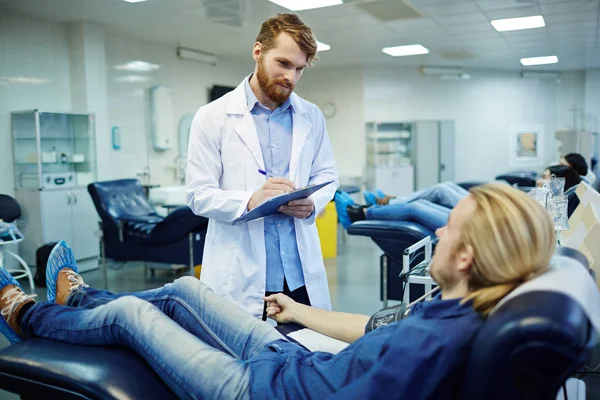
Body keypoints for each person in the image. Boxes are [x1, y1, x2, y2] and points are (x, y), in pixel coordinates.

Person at [0, 184, 555, 399]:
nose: (436, 229)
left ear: (465, 257)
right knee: (185, 290)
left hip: (256, 391)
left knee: (134, 316)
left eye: (449, 228)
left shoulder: (433, 347)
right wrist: (298, 313)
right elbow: (369, 330)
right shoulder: (453, 306)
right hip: (288, 360)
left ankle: (29, 314)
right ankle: (80, 302)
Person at [185, 13, 338, 318]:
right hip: (243, 275)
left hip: (299, 275)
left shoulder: (311, 116)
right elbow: (198, 194)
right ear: (258, 51)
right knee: (248, 361)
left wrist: (312, 203)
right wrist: (251, 200)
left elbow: (328, 174)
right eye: (283, 64)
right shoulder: (212, 116)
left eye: (299, 69)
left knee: (308, 355)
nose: (291, 78)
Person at [363, 182, 468, 208]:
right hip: (482, 204)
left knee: (440, 190)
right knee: (448, 184)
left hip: (482, 211)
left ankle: (389, 202)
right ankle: (396, 199)